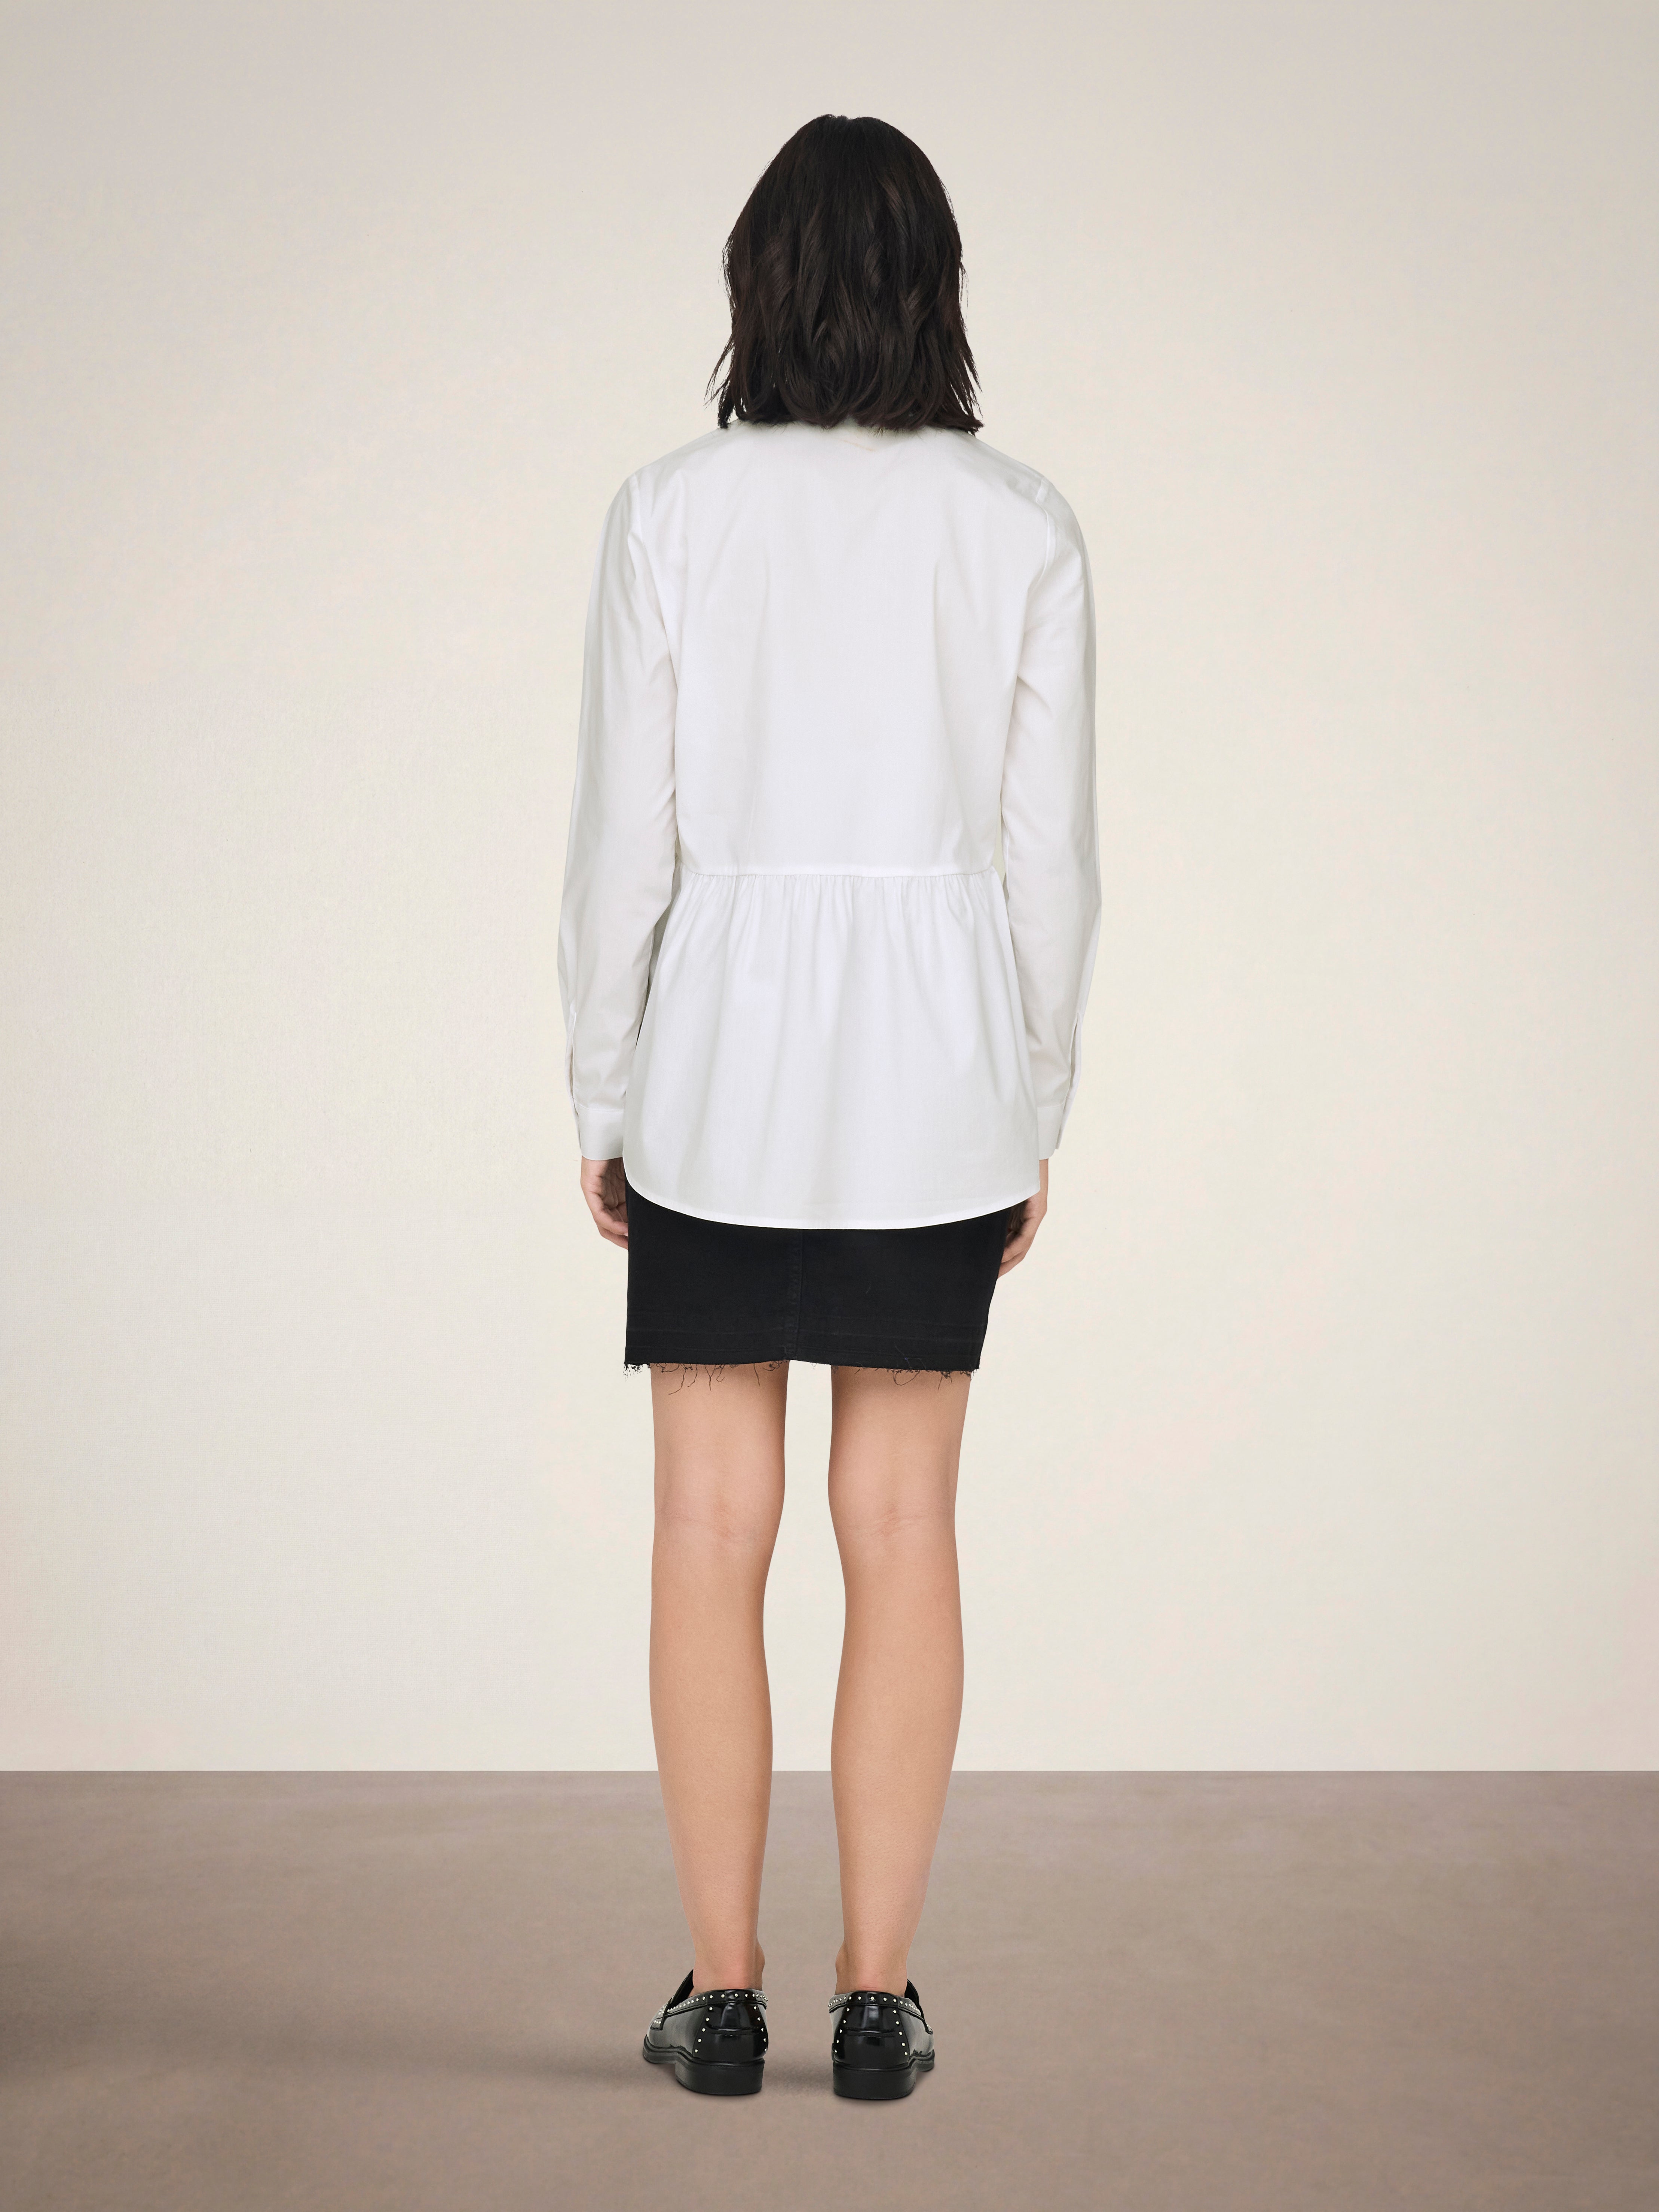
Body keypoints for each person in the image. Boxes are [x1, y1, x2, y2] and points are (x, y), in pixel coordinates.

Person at [557, 112, 1101, 2101]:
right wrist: (1035, 1097)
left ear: (755, 289)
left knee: (709, 1527)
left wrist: (604, 1085)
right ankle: (881, 2000)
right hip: (938, 1080)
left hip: (718, 1072)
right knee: (906, 1526)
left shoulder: (670, 511)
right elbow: (1051, 863)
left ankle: (722, 1999)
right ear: (937, 291)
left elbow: (623, 843)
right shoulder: (1021, 523)